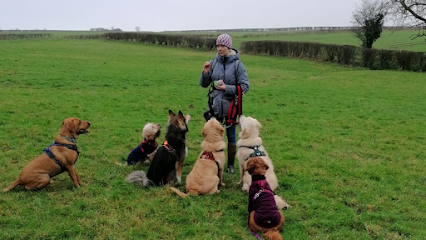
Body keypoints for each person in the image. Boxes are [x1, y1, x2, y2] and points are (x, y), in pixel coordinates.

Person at [199, 33, 250, 174]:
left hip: (231, 108)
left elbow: (245, 86)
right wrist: (205, 73)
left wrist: (227, 88)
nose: (219, 48)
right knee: (213, 135)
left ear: (228, 46)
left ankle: (231, 165)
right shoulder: (213, 62)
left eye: (222, 45)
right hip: (214, 106)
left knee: (231, 136)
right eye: (218, 45)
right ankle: (214, 163)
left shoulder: (237, 65)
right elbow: (203, 85)